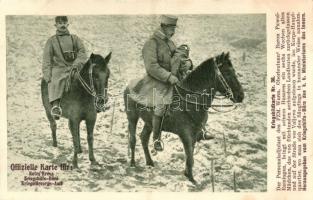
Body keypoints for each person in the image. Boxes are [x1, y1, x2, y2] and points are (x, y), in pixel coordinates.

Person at [129, 15, 179, 151]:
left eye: (174, 27)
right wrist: (168, 77)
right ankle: (156, 138)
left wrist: (187, 64)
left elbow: (177, 57)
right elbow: (151, 67)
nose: (173, 31)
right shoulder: (151, 43)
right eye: (171, 28)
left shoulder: (170, 43)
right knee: (161, 104)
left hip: (172, 79)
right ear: (163, 27)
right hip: (155, 81)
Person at [42, 16, 87, 120]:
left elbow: (82, 52)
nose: (62, 25)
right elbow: (47, 59)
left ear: (68, 24)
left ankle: (95, 102)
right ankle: (56, 106)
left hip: (74, 67)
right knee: (55, 79)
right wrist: (47, 75)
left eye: (64, 22)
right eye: (59, 23)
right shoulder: (51, 41)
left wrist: (77, 63)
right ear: (56, 25)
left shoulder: (75, 38)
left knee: (87, 78)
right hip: (59, 68)